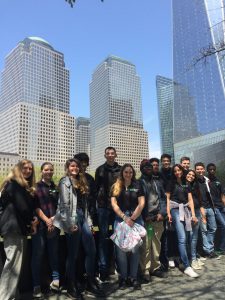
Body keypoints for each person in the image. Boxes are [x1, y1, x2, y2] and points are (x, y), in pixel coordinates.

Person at [56, 158, 102, 299]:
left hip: (83, 217)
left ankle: (89, 282)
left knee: (91, 250)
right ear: (68, 168)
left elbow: (86, 206)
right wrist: (69, 223)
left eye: (77, 166)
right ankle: (71, 285)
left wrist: (89, 223)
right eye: (72, 166)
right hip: (72, 218)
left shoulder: (82, 182)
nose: (75, 168)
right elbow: (64, 205)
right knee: (73, 254)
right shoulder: (65, 182)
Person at [0, 160, 38, 299]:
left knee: (14, 265)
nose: (28, 171)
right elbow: (23, 207)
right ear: (18, 169)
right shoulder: (15, 184)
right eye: (25, 168)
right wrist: (32, 222)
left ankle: (12, 295)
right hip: (13, 228)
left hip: (15, 228)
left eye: (30, 169)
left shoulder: (12, 184)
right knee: (12, 267)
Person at [111, 163, 145, 289]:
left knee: (135, 250)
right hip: (120, 219)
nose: (128, 174)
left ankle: (133, 277)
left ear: (133, 173)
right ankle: (123, 277)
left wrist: (132, 218)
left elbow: (141, 203)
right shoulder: (116, 186)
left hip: (136, 218)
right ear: (122, 173)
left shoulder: (137, 185)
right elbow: (114, 204)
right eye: (126, 172)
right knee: (121, 251)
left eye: (130, 172)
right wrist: (125, 218)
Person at [31, 162, 60, 298]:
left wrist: (52, 220)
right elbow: (36, 206)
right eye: (46, 170)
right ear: (42, 171)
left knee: (54, 254)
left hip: (53, 226)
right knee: (38, 255)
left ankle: (56, 281)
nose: (49, 172)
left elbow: (60, 206)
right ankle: (36, 286)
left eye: (51, 170)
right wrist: (46, 220)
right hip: (41, 226)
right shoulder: (36, 186)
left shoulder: (56, 187)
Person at [166, 164, 199, 278]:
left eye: (179, 170)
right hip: (175, 210)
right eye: (175, 171)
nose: (177, 172)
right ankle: (186, 266)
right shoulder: (171, 183)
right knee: (182, 238)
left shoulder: (186, 183)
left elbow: (190, 200)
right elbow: (168, 199)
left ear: (181, 170)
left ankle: (182, 260)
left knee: (186, 237)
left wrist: (193, 215)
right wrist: (169, 213)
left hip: (185, 211)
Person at [95, 147, 121, 281]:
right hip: (103, 207)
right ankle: (103, 269)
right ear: (105, 155)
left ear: (115, 155)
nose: (110, 155)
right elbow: (96, 189)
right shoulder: (100, 169)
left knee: (119, 236)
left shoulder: (121, 170)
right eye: (108, 153)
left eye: (112, 153)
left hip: (117, 207)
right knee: (103, 238)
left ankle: (119, 266)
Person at [139, 160, 167, 281]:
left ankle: (155, 268)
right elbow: (138, 202)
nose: (148, 168)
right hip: (147, 219)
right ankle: (145, 270)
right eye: (145, 167)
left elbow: (163, 199)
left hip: (158, 217)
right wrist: (145, 216)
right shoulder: (138, 183)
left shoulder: (157, 182)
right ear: (141, 169)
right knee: (146, 245)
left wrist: (162, 213)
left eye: (150, 166)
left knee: (156, 245)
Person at [195, 162, 218, 258]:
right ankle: (208, 250)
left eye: (201, 169)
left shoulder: (206, 180)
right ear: (195, 170)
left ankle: (208, 248)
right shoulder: (194, 181)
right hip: (201, 208)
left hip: (210, 207)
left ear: (204, 170)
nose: (200, 171)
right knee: (204, 230)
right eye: (198, 169)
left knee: (213, 228)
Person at [186, 169, 205, 270]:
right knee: (190, 236)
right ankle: (192, 259)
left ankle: (194, 257)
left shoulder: (195, 185)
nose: (191, 176)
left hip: (197, 211)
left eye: (193, 175)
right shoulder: (184, 185)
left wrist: (203, 215)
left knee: (195, 236)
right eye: (189, 174)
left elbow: (200, 200)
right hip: (188, 213)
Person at [207, 163, 225, 255]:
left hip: (222, 207)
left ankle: (221, 247)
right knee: (223, 225)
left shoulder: (219, 181)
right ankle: (221, 248)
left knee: (222, 227)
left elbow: (222, 195)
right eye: (210, 169)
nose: (212, 171)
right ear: (207, 171)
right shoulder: (207, 181)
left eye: (213, 169)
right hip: (214, 208)